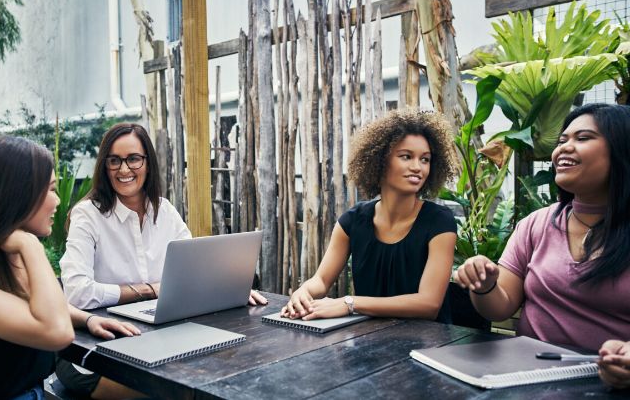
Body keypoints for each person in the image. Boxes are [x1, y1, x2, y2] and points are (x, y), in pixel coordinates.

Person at [58, 122, 267, 397]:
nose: (124, 169)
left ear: (148, 163)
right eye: (114, 161)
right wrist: (148, 290)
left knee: (230, 366)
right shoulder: (88, 215)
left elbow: (196, 270)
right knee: (180, 390)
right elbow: (77, 293)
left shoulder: (164, 211)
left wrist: (228, 288)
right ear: (104, 165)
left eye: (133, 159)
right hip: (95, 351)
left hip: (160, 337)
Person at [0, 136, 139, 400]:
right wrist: (31, 246)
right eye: (51, 189)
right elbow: (57, 333)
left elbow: (37, 304)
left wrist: (87, 319)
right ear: (17, 194)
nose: (59, 202)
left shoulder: (4, 259)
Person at [455, 103, 630, 353]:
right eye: (562, 140)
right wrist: (485, 286)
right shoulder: (536, 224)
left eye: (583, 138)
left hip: (609, 381)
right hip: (531, 373)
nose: (563, 148)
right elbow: (500, 307)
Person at [282, 109, 458, 322]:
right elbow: (321, 279)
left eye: (425, 160)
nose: (417, 167)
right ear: (380, 160)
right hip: (368, 340)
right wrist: (304, 292)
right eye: (406, 157)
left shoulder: (439, 222)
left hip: (427, 346)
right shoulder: (353, 221)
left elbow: (428, 304)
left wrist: (350, 304)